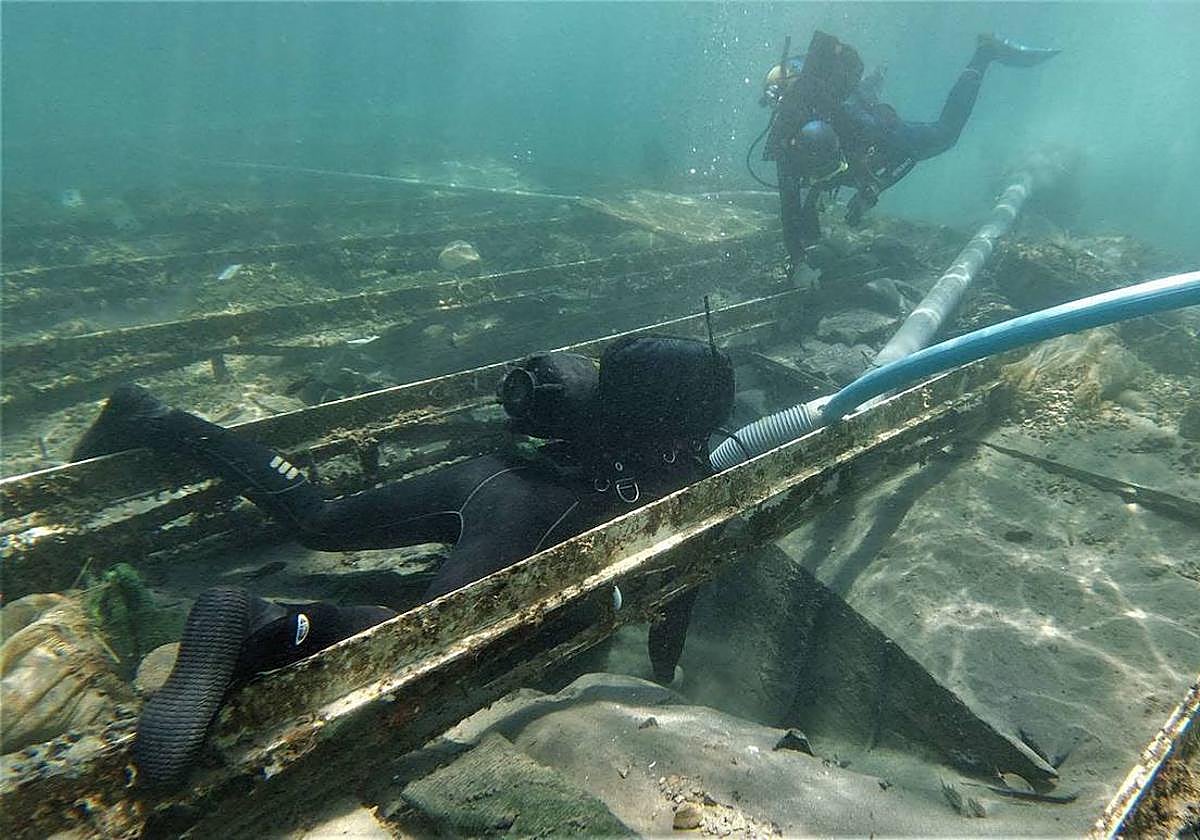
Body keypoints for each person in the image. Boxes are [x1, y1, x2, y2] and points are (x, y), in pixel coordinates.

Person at [71, 333, 735, 786]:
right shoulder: (686, 467)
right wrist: (665, 669)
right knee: (419, 643)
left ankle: (156, 418)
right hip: (534, 517)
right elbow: (686, 570)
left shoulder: (604, 411)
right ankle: (266, 618)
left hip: (487, 479)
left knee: (321, 519)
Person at [758, 30, 1059, 274]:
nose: (830, 176)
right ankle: (875, 78)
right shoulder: (788, 151)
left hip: (879, 129)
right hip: (851, 125)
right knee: (859, 109)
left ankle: (984, 55)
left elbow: (880, 166)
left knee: (945, 134)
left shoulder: (862, 128)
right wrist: (799, 262)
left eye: (834, 167)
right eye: (821, 172)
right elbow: (790, 208)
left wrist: (866, 189)